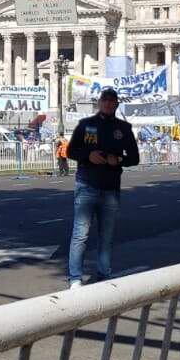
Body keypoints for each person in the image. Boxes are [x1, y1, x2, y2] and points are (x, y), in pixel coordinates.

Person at [65, 87, 140, 289]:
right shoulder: (86, 124)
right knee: (80, 234)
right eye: (104, 100)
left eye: (111, 101)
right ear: (99, 103)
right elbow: (70, 150)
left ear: (116, 104)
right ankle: (75, 278)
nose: (107, 104)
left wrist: (119, 159)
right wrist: (88, 156)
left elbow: (134, 158)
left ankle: (103, 275)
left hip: (110, 188)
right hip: (86, 185)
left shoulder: (123, 128)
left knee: (106, 237)